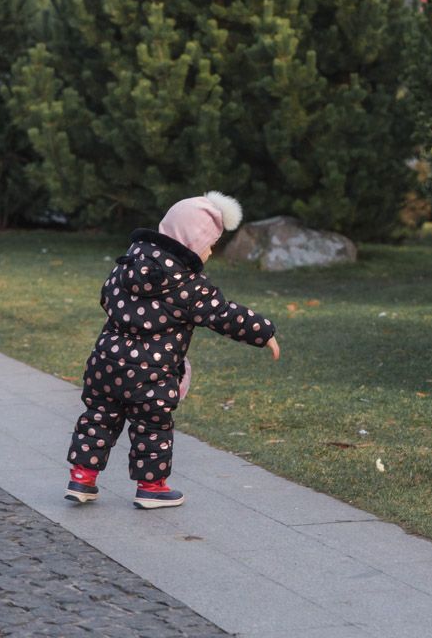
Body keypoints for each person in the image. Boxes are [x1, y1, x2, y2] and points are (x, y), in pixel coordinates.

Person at [64, 191, 280, 509]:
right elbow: (225, 315)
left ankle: (82, 479)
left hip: (105, 363)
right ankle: (151, 487)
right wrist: (263, 332)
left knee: (97, 418)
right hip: (152, 373)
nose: (209, 252)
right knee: (152, 427)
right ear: (193, 242)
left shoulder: (126, 265)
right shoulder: (190, 286)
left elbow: (106, 298)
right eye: (209, 245)